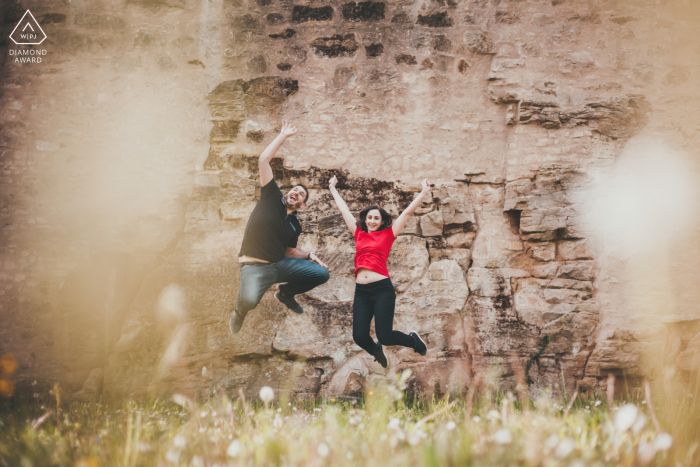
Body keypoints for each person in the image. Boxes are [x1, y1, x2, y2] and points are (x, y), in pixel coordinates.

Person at [229, 120, 330, 335]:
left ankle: (284, 293)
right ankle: (239, 312)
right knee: (248, 301)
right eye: (294, 189)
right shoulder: (271, 196)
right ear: (288, 193)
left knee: (322, 274)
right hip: (254, 267)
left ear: (302, 204)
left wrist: (310, 254)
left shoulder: (295, 225)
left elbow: (290, 252)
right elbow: (264, 160)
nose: (295, 192)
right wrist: (283, 135)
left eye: (301, 194)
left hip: (279, 264)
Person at [328, 175, 431, 368]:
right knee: (359, 336)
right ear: (365, 220)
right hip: (362, 292)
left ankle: (414, 341)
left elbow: (406, 214)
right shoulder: (358, 233)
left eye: (376, 218)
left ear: (382, 221)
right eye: (370, 217)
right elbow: (344, 211)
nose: (373, 220)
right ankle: (376, 351)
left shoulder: (388, 234)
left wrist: (423, 192)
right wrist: (333, 188)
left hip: (382, 289)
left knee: (385, 335)